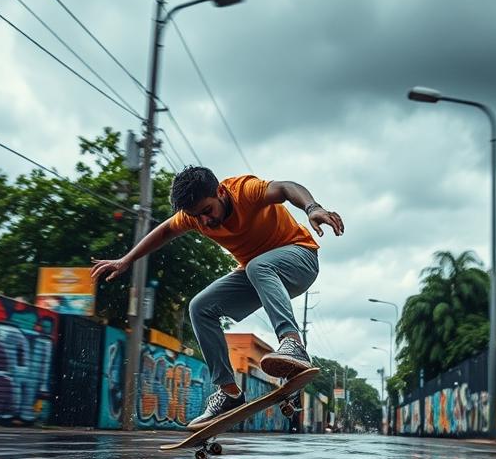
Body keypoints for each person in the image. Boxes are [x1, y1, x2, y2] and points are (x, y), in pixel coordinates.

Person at [91, 166, 344, 428]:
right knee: (200, 307)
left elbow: (286, 188)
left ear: (220, 193)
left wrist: (312, 208)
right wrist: (126, 260)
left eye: (207, 211)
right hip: (259, 275)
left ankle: (293, 344)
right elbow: (165, 230)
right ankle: (229, 392)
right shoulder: (193, 217)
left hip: (300, 258)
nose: (204, 222)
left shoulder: (244, 191)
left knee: (258, 265)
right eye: (195, 217)